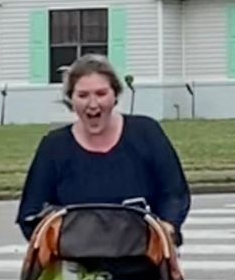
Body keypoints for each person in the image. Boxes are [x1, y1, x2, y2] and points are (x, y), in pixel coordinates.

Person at [16, 54, 191, 243]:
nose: (93, 104)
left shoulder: (146, 133)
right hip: (75, 261)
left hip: (141, 256)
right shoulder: (54, 147)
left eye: (101, 94)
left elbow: (174, 193)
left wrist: (168, 228)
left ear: (115, 95)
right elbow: (31, 213)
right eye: (83, 95)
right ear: (71, 100)